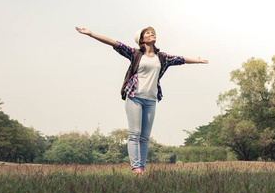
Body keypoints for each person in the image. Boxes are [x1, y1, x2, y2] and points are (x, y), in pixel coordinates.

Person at [75, 26, 208, 174]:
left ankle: (141, 169)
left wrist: (197, 61)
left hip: (151, 100)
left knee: (145, 137)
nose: (152, 34)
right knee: (135, 133)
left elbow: (180, 59)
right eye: (148, 33)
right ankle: (136, 168)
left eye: (153, 33)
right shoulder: (135, 54)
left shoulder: (162, 57)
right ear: (142, 40)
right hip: (134, 97)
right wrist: (91, 34)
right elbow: (114, 43)